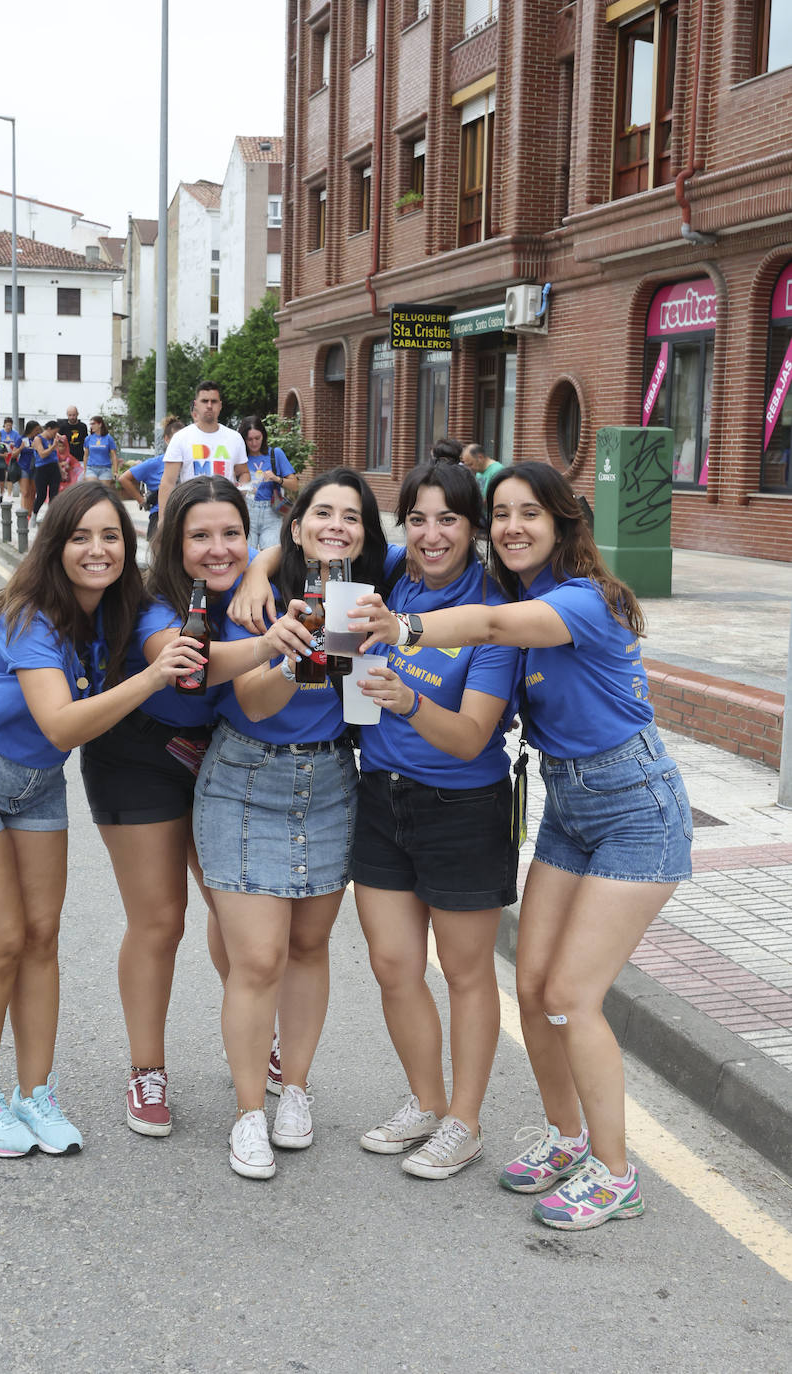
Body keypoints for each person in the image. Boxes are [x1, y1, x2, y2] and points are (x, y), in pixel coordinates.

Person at [355, 460, 693, 1229]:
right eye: (501, 512)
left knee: (573, 994)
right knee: (534, 989)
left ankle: (616, 1175)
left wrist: (403, 630)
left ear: (563, 523)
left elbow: (492, 629)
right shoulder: (520, 590)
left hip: (636, 807)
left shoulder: (583, 601)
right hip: (569, 806)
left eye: (528, 514)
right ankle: (568, 1135)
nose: (511, 527)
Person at [0, 483, 194, 1159]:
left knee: (42, 937)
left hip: (36, 781)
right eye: (80, 537)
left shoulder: (123, 609)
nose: (97, 550)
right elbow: (63, 722)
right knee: (1, 943)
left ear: (129, 548)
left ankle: (34, 1095)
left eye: (111, 537)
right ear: (54, 545)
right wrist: (151, 680)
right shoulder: (30, 615)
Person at [80, 477, 308, 1138]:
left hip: (218, 754)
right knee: (159, 921)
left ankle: (257, 1033)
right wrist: (275, 642)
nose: (217, 548)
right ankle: (146, 1071)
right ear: (173, 543)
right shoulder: (152, 601)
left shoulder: (255, 588)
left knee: (233, 908)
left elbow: (304, 549)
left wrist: (264, 566)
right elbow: (191, 666)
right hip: (138, 756)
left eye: (231, 533)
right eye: (200, 536)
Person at [194, 468, 398, 1179]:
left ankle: (296, 1091)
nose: (335, 526)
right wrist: (292, 642)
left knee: (310, 948)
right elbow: (249, 702)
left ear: (367, 533)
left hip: (332, 777)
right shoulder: (256, 601)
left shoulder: (375, 592)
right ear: (298, 522)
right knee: (257, 960)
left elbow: (445, 554)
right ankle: (249, 1112)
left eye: (351, 516)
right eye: (322, 513)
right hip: (246, 777)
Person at [353, 462, 519, 1179]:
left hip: (463, 807)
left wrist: (407, 701)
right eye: (417, 519)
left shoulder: (496, 614)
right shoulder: (394, 581)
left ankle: (465, 1120)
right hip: (380, 799)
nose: (430, 535)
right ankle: (425, 1101)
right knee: (393, 965)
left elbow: (474, 736)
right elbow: (318, 535)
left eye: (448, 520)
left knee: (464, 972)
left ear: (473, 528)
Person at [156, 381, 247, 522]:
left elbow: (243, 473)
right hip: (191, 512)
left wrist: (239, 497)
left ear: (220, 405)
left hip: (226, 513)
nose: (209, 406)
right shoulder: (181, 438)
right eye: (205, 401)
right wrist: (162, 521)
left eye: (214, 401)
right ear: (196, 405)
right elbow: (168, 482)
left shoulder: (234, 438)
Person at [237, 414, 298, 551]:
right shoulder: (240, 457)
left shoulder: (275, 454)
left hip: (272, 512)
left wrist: (277, 478)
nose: (254, 443)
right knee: (246, 555)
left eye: (257, 438)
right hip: (247, 510)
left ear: (263, 436)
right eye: (249, 439)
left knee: (271, 556)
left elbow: (294, 485)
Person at [117, 416, 181, 542]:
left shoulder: (190, 462)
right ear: (167, 439)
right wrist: (142, 501)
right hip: (159, 516)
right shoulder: (156, 463)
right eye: (176, 439)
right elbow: (124, 478)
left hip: (183, 514)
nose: (181, 443)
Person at [32, 420, 61, 525]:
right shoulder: (38, 439)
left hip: (53, 468)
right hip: (42, 468)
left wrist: (61, 470)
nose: (55, 434)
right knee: (41, 495)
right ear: (48, 429)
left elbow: (55, 457)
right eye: (54, 432)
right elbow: (42, 454)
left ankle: (50, 518)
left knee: (54, 494)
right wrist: (53, 446)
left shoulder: (53, 439)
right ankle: (34, 515)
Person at [14, 421, 41, 514]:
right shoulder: (21, 439)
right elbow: (13, 454)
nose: (38, 431)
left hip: (35, 468)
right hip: (23, 467)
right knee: (25, 492)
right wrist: (21, 448)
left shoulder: (38, 440)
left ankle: (30, 513)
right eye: (36, 430)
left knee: (33, 492)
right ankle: (23, 513)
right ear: (31, 429)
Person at [83, 415, 119, 483]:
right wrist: (85, 471)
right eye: (91, 424)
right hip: (91, 468)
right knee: (93, 489)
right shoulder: (88, 439)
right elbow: (86, 456)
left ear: (100, 424)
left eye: (93, 424)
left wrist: (115, 471)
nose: (91, 426)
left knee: (103, 491)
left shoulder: (109, 438)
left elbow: (113, 455)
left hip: (105, 469)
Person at [59, 406, 88, 471]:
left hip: (80, 457)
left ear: (77, 414)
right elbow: (59, 443)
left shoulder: (83, 426)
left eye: (74, 415)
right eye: (70, 415)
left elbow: (86, 442)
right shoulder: (63, 427)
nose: (72, 417)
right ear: (67, 415)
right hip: (67, 458)